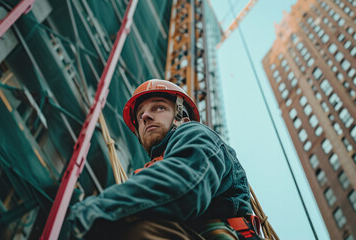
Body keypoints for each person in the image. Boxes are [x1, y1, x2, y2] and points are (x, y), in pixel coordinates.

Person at [67, 79, 256, 239]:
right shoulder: (150, 171)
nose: (146, 117)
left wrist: (93, 210)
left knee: (135, 228)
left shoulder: (195, 133)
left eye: (159, 107)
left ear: (183, 117)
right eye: (140, 115)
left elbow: (186, 187)